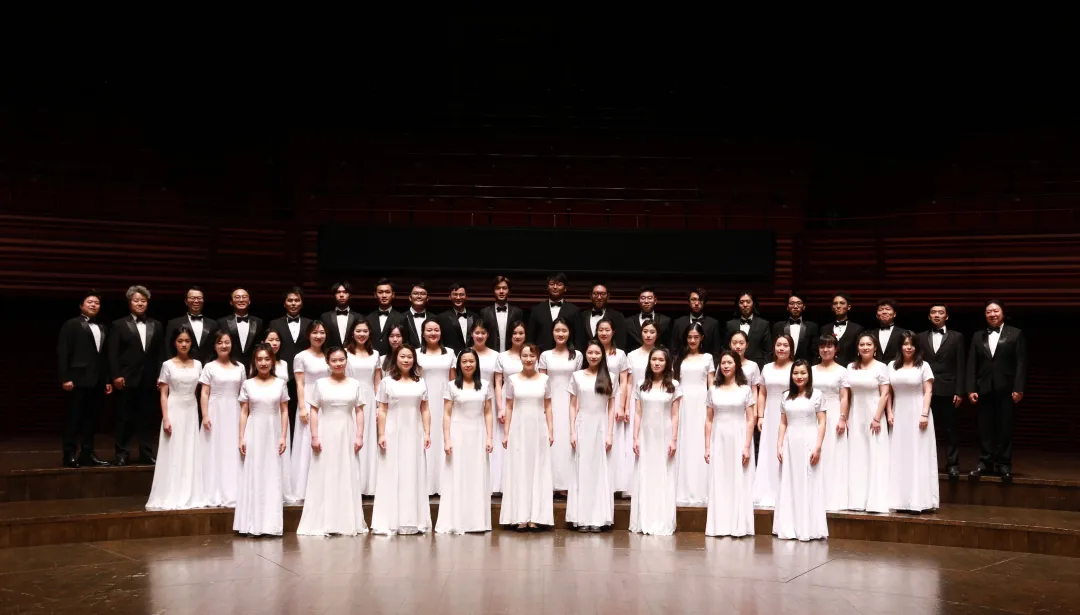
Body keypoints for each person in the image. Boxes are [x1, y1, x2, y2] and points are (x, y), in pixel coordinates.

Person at [296, 347, 368, 536]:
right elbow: (313, 410)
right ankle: (324, 521)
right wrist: (314, 436)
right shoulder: (320, 384)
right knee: (325, 473)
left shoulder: (354, 384)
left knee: (346, 472)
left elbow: (359, 410)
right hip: (326, 432)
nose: (338, 363)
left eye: (341, 360)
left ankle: (346, 520)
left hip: (347, 433)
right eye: (334, 360)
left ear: (346, 361)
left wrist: (359, 435)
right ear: (328, 363)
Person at [371, 345, 432, 535]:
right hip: (393, 432)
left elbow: (425, 409)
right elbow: (382, 409)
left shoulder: (420, 382)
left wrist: (427, 433)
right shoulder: (387, 382)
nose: (406, 360)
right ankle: (390, 520)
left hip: (414, 431)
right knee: (392, 471)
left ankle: (413, 520)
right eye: (402, 357)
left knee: (413, 471)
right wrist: (381, 434)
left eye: (409, 357)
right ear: (396, 359)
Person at [966, 300, 1026, 483]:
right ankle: (985, 462)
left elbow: (1021, 363)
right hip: (983, 388)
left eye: (995, 311)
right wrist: (970, 388)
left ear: (1003, 313)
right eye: (988, 311)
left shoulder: (1016, 333)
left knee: (1005, 427)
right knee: (984, 427)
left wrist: (1019, 388)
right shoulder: (978, 336)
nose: (992, 314)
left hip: (1006, 388)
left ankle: (1003, 464)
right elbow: (972, 363)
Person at [146, 326, 204, 510]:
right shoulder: (167, 365)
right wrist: (166, 418)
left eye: (187, 341)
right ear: (174, 343)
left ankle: (189, 491)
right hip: (174, 408)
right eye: (180, 341)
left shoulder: (198, 364)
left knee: (189, 449)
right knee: (173, 449)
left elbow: (198, 391)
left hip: (191, 409)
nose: (184, 344)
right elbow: (163, 394)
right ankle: (171, 491)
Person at [436, 348, 494, 534]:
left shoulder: (485, 385)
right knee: (457, 474)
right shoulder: (452, 386)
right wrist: (446, 439)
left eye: (471, 361)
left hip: (478, 435)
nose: (468, 364)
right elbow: (446, 414)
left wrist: (490, 437)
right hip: (457, 434)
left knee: (477, 475)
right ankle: (456, 520)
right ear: (459, 365)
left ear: (476, 364)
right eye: (464, 361)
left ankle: (476, 522)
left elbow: (488, 412)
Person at [234, 344, 289, 536]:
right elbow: (244, 411)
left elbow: (284, 411)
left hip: (272, 432)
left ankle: (270, 525)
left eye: (267, 359)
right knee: (254, 473)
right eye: (259, 359)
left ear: (272, 361)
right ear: (254, 362)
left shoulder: (280, 383)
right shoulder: (248, 384)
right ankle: (252, 524)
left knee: (271, 474)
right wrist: (241, 437)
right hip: (254, 431)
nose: (263, 363)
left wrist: (283, 436)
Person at [500, 343, 554, 531]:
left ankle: (536, 516)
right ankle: (520, 515)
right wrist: (506, 433)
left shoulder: (545, 379)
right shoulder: (512, 379)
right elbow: (508, 406)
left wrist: (550, 430)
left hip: (538, 429)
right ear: (520, 358)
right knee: (519, 468)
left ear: (537, 358)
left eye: (532, 356)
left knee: (537, 469)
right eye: (525, 355)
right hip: (518, 429)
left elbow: (548, 405)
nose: (528, 359)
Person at [773, 359, 828, 541]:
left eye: (803, 373)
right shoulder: (786, 396)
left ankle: (808, 528)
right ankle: (790, 527)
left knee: (809, 481)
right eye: (796, 373)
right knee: (790, 482)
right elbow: (783, 423)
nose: (799, 376)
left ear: (809, 375)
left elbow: (822, 422)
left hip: (809, 441)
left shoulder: (817, 395)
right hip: (790, 443)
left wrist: (818, 446)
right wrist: (779, 445)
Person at [629, 348, 682, 536]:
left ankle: (661, 519)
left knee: (663, 475)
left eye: (661, 360)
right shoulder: (641, 385)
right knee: (645, 474)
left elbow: (675, 415)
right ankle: (645, 519)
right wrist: (635, 437)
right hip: (646, 435)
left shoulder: (673, 385)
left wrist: (674, 439)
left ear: (667, 363)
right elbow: (637, 413)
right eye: (654, 359)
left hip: (664, 435)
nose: (657, 363)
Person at [109, 285, 164, 466]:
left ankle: (146, 453)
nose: (140, 303)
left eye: (143, 300)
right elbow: (113, 353)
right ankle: (122, 454)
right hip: (126, 378)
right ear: (129, 303)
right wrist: (116, 376)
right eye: (136, 300)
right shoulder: (119, 324)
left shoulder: (156, 325)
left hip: (149, 379)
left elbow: (160, 354)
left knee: (147, 418)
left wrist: (160, 375)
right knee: (124, 418)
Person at [57, 290, 112, 467]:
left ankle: (87, 454)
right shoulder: (71, 324)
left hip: (97, 380)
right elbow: (63, 352)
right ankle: (69, 455)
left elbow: (104, 356)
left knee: (91, 420)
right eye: (90, 302)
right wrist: (65, 378)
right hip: (77, 379)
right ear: (81, 305)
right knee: (74, 419)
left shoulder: (103, 327)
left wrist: (107, 380)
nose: (94, 305)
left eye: (97, 303)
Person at [704, 351, 756, 537]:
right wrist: (707, 446)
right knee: (720, 478)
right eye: (723, 363)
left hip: (739, 437)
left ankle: (738, 525)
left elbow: (750, 419)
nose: (726, 366)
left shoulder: (745, 389)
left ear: (736, 365)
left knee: (738, 478)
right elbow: (709, 420)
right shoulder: (713, 390)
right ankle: (720, 525)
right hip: (719, 438)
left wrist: (747, 445)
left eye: (730, 362)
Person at [567, 340, 616, 532]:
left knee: (599, 471)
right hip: (582, 425)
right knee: (583, 470)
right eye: (590, 353)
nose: (593, 356)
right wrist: (572, 431)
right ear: (585, 354)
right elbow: (572, 405)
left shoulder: (611, 377)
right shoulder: (577, 376)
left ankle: (598, 518)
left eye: (597, 353)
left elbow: (611, 407)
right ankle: (582, 518)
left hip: (601, 426)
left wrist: (610, 433)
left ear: (602, 355)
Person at [888, 332, 938, 512]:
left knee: (918, 452)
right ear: (900, 346)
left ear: (916, 347)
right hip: (898, 412)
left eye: (911, 344)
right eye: (905, 344)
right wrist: (889, 412)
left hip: (918, 412)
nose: (908, 347)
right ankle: (899, 500)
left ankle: (920, 500)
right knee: (900, 454)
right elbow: (888, 392)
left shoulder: (923, 366)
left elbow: (928, 391)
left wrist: (924, 414)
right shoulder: (892, 366)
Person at [917, 303, 966, 479]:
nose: (937, 315)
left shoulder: (957, 337)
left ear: (947, 316)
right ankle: (926, 463)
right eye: (933, 312)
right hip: (925, 390)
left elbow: (961, 364)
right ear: (929, 316)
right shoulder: (920, 337)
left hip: (949, 389)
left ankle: (952, 464)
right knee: (925, 429)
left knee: (950, 429)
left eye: (940, 312)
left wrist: (960, 391)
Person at [197, 330, 244, 507]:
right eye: (220, 343)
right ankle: (211, 490)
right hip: (215, 411)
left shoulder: (240, 367)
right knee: (214, 449)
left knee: (231, 449)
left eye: (227, 342)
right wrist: (205, 415)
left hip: (234, 410)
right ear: (214, 346)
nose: (224, 346)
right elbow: (204, 393)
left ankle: (233, 489)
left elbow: (243, 394)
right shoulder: (209, 367)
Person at [847, 332, 891, 513]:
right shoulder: (851, 367)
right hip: (855, 414)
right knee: (857, 454)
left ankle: (875, 500)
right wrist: (846, 416)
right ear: (857, 348)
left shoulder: (881, 367)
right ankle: (857, 499)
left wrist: (877, 417)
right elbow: (848, 394)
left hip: (874, 414)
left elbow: (885, 394)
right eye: (862, 344)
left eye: (868, 344)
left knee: (874, 454)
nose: (865, 347)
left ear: (875, 348)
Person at [538, 317, 582, 492]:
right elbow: (541, 381)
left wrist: (578, 405)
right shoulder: (545, 355)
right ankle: (549, 484)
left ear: (569, 333)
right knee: (551, 441)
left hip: (570, 402)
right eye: (557, 330)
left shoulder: (577, 355)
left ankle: (566, 485)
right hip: (550, 402)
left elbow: (579, 381)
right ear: (552, 332)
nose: (560, 334)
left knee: (567, 442)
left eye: (564, 330)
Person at [673, 322, 714, 507]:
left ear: (702, 338)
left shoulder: (707, 358)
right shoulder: (678, 358)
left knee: (699, 441)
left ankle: (701, 489)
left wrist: (712, 405)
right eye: (689, 337)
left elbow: (711, 385)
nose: (692, 340)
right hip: (683, 402)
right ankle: (682, 488)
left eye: (696, 337)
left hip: (701, 402)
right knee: (685, 441)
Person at [289, 320, 330, 503]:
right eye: (315, 332)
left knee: (325, 440)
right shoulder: (301, 357)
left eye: (322, 332)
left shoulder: (329, 355)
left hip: (326, 401)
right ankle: (304, 487)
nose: (318, 336)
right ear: (308, 335)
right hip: (308, 401)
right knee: (307, 442)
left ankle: (324, 486)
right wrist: (302, 407)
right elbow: (299, 384)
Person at [752, 335, 794, 508]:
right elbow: (762, 393)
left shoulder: (795, 368)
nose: (781, 348)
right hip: (770, 415)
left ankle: (786, 492)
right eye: (778, 345)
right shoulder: (767, 368)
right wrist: (760, 415)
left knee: (785, 450)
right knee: (768, 449)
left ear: (791, 348)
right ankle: (767, 490)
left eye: (785, 345)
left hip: (789, 414)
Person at [416, 318, 455, 494]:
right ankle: (425, 484)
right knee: (426, 437)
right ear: (423, 333)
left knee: (443, 437)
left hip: (445, 400)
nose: (433, 333)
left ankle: (443, 484)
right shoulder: (416, 353)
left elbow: (453, 380)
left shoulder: (450, 353)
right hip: (424, 401)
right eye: (429, 330)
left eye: (436, 330)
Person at [812, 335, 851, 512]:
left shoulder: (842, 371)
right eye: (822, 346)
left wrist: (843, 418)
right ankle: (815, 495)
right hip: (814, 414)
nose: (825, 350)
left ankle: (834, 497)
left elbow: (844, 397)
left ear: (836, 349)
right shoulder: (811, 370)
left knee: (834, 453)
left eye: (829, 347)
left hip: (834, 413)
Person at [268, 287, 311, 441]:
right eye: (290, 300)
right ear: (284, 303)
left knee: (302, 415)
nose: (293, 303)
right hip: (280, 374)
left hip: (304, 377)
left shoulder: (309, 323)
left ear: (302, 303)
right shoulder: (274, 323)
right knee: (281, 413)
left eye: (297, 300)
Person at [345, 320, 382, 496]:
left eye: (365, 331)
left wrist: (379, 406)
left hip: (369, 399)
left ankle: (368, 485)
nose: (361, 334)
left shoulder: (375, 354)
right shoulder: (345, 353)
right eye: (358, 331)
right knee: (352, 437)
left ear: (369, 333)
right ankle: (351, 484)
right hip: (349, 398)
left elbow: (377, 382)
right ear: (352, 333)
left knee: (368, 438)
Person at [596, 319, 630, 494]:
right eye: (601, 330)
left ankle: (613, 482)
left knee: (614, 439)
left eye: (607, 330)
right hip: (595, 399)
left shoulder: (620, 354)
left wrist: (622, 406)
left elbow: (624, 381)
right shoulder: (592, 350)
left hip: (614, 400)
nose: (604, 333)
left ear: (613, 332)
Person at [493, 320, 527, 493]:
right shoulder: (502, 357)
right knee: (504, 441)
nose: (518, 336)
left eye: (521, 333)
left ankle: (521, 482)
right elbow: (498, 383)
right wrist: (500, 407)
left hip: (525, 400)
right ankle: (503, 484)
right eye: (514, 333)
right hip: (507, 401)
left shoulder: (530, 355)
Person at [262, 329, 293, 495]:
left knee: (280, 446)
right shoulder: (258, 362)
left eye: (277, 340)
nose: (274, 343)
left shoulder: (284, 364)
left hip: (281, 409)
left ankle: (281, 488)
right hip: (264, 409)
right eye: (270, 339)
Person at [527, 272, 581, 351]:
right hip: (541, 355)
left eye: (559, 284)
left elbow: (579, 340)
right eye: (552, 284)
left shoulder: (574, 310)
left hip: (567, 355)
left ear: (565, 288)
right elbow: (530, 338)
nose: (555, 287)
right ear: (547, 287)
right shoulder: (536, 310)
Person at [165, 286, 218, 363]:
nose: (196, 301)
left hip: (209, 367)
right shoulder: (174, 323)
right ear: (186, 301)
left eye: (199, 298)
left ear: (203, 301)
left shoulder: (213, 324)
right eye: (192, 298)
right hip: (183, 365)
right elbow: (168, 349)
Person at [217, 288, 263, 370]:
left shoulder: (259, 322)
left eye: (244, 297)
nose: (241, 300)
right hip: (229, 366)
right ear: (231, 302)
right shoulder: (222, 322)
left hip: (253, 367)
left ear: (249, 301)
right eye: (237, 297)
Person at [724, 291, 771, 368]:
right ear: (738, 304)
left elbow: (768, 351)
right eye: (741, 302)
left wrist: (764, 369)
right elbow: (726, 349)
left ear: (753, 304)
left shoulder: (763, 324)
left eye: (748, 302)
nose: (745, 305)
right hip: (734, 366)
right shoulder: (730, 324)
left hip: (758, 366)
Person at [671, 288, 721, 358]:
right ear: (689, 301)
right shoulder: (678, 323)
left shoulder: (713, 323)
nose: (697, 303)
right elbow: (674, 349)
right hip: (683, 362)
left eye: (700, 300)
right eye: (693, 299)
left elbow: (716, 350)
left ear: (704, 302)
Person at [479, 275, 524, 353]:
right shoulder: (484, 312)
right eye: (498, 288)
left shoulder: (517, 312)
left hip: (511, 354)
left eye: (504, 288)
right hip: (490, 354)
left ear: (509, 291)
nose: (501, 291)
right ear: (493, 291)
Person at [576, 283, 626, 350]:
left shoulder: (618, 316)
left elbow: (621, 341)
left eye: (602, 294)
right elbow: (578, 341)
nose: (599, 297)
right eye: (596, 294)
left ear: (608, 296)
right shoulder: (582, 316)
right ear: (590, 295)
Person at [772, 294, 819, 363]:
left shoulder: (812, 327)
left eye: (799, 303)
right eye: (792, 303)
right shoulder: (778, 326)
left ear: (804, 307)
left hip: (805, 366)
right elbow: (773, 349)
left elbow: (815, 352)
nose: (795, 306)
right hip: (782, 364)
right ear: (787, 307)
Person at [366, 278, 407, 355]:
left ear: (393, 295)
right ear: (375, 295)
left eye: (387, 292)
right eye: (380, 292)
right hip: (372, 358)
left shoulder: (401, 318)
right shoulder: (368, 318)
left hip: (393, 358)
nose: (384, 295)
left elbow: (405, 343)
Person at [439, 282, 481, 354]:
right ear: (449, 297)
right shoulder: (442, 318)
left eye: (461, 294)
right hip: (451, 356)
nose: (458, 297)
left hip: (472, 356)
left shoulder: (475, 317)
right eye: (455, 294)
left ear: (466, 296)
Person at [625, 287, 671, 352]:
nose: (646, 301)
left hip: (658, 356)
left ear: (655, 301)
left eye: (649, 298)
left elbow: (669, 344)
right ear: (638, 301)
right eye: (643, 298)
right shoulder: (628, 321)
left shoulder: (665, 321)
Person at [320, 281, 362, 347]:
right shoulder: (325, 317)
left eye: (345, 292)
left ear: (350, 295)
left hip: (353, 352)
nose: (341, 295)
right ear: (334, 295)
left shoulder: (358, 317)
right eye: (338, 292)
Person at [830, 293, 865, 367]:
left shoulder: (857, 329)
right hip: (828, 368)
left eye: (842, 303)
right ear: (832, 307)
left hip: (850, 368)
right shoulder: (824, 329)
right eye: (835, 303)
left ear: (848, 307)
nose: (838, 306)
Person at [870, 299, 905, 364]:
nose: (884, 312)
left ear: (894, 314)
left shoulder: (903, 333)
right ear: (877, 315)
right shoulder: (870, 334)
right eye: (881, 310)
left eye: (888, 309)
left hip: (897, 367)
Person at [403, 282, 431, 349]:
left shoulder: (434, 318)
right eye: (415, 293)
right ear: (410, 297)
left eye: (422, 294)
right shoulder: (401, 317)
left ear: (427, 298)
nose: (419, 296)